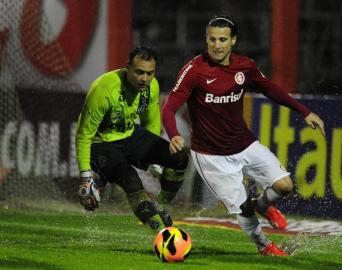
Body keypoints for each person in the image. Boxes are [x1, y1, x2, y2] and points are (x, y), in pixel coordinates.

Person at [162, 16, 325, 256]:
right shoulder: (194, 71)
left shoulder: (244, 66)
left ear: (233, 41)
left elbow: (270, 88)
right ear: (206, 40)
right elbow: (169, 106)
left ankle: (262, 205)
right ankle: (264, 246)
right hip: (211, 156)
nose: (217, 45)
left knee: (285, 185)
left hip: (244, 144)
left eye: (223, 40)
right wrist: (174, 134)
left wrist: (305, 112)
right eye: (212, 39)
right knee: (243, 209)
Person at [75, 46, 189, 231]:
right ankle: (162, 232)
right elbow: (83, 136)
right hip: (100, 143)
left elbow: (150, 125)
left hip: (129, 135)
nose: (145, 78)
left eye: (150, 73)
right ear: (127, 68)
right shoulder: (104, 89)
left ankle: (160, 208)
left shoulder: (151, 86)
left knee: (180, 158)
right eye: (139, 72)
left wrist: (152, 159)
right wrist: (85, 177)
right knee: (131, 180)